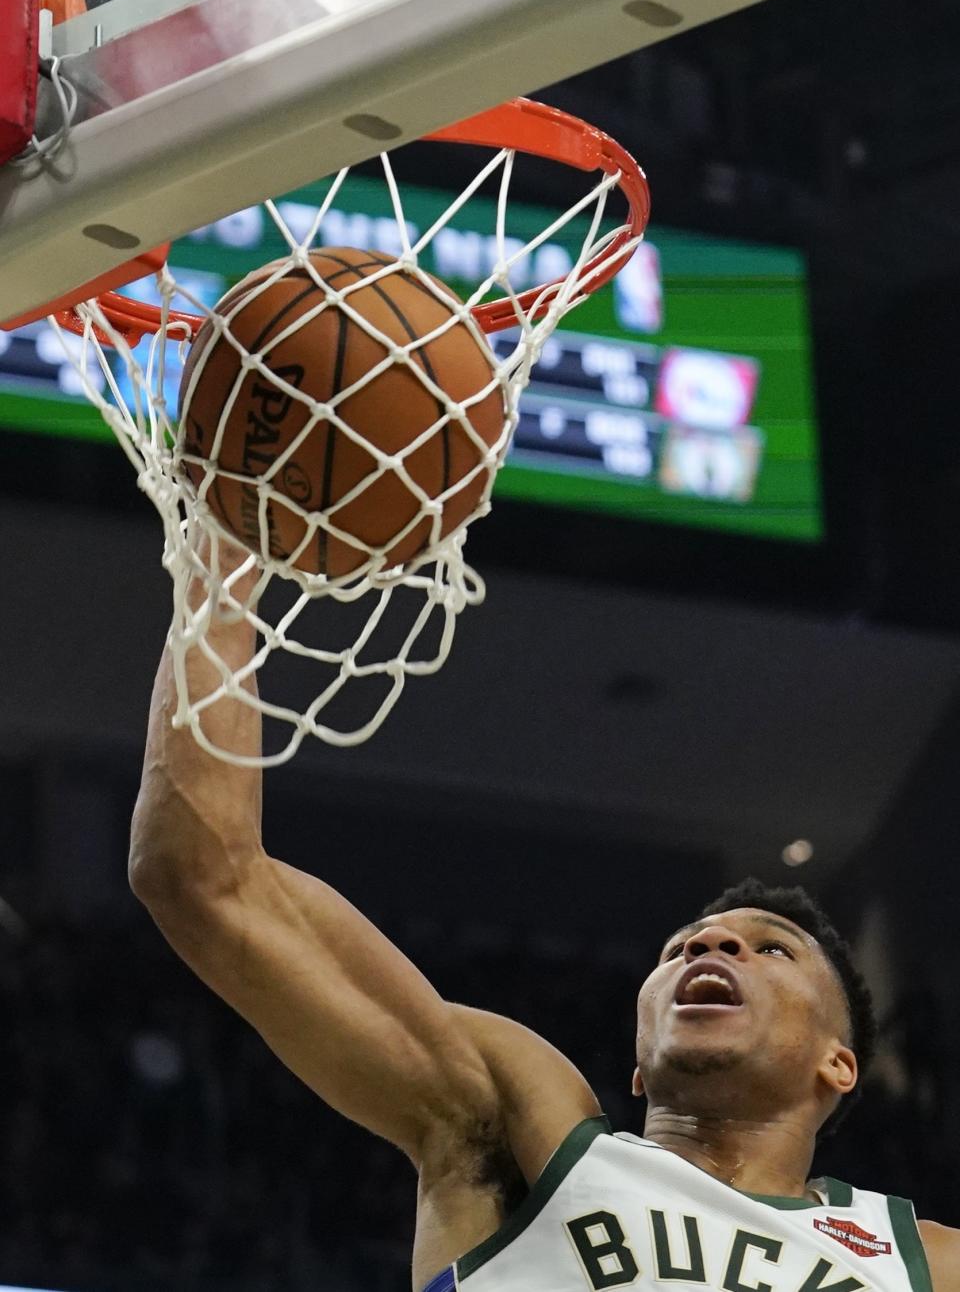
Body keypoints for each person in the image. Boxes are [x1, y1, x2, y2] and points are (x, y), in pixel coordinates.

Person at [129, 554, 960, 1292]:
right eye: (682, 949)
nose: (711, 944)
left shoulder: (921, 1261)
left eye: (770, 949)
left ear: (839, 1064)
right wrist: (220, 561)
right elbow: (205, 880)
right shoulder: (529, 1130)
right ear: (639, 1065)